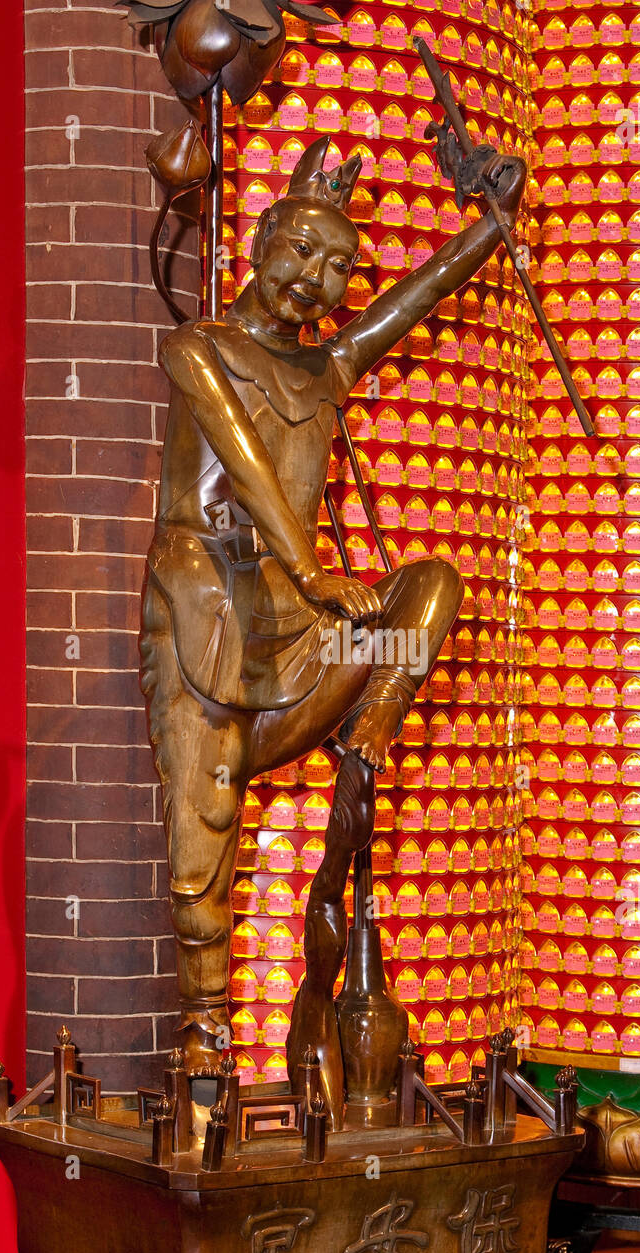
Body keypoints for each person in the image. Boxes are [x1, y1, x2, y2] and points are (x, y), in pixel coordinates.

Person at [140, 134, 526, 1120]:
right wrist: (310, 569)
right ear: (259, 243)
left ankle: (363, 750)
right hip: (213, 616)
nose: (314, 279)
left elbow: (417, 298)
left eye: (335, 267)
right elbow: (245, 461)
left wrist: (489, 226)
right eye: (300, 252)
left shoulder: (328, 366)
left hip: (308, 637)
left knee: (428, 587)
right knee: (206, 823)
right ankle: (205, 1030)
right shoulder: (195, 350)